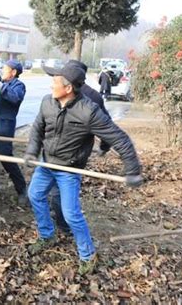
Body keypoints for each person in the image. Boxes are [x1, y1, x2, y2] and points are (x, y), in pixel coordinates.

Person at [23, 62, 143, 275]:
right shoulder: (47, 103)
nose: (51, 85)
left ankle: (87, 255)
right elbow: (37, 129)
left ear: (68, 88)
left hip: (69, 170)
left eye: (55, 81)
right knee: (35, 195)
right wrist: (32, 151)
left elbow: (120, 139)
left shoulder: (88, 111)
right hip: (46, 163)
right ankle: (46, 235)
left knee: (70, 214)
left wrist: (132, 171)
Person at [47, 60, 112, 234]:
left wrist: (105, 145)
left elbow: (105, 125)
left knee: (59, 192)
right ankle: (60, 218)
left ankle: (64, 225)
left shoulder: (91, 99)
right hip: (54, 151)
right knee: (50, 189)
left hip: (72, 156)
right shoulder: (59, 93)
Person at [0, 59, 28, 206]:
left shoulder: (18, 86)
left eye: (5, 69)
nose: (2, 71)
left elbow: (15, 98)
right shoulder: (1, 83)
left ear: (13, 72)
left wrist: (1, 87)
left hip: (4, 129)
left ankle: (22, 190)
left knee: (6, 159)